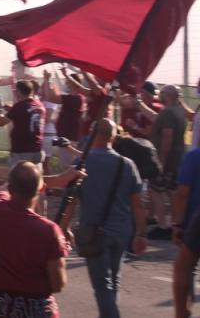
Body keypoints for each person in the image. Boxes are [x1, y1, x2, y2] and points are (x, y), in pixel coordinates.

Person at [0, 162, 69, 318]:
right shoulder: (49, 230)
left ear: (11, 189)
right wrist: (62, 248)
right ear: (40, 189)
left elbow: (5, 188)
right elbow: (58, 284)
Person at [78, 119, 147, 318]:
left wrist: (62, 229)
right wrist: (141, 233)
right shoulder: (127, 165)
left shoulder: (82, 163)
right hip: (121, 232)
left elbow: (72, 200)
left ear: (92, 134)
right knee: (112, 282)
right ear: (114, 137)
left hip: (94, 232)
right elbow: (138, 203)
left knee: (101, 286)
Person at [136, 85, 188, 239]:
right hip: (178, 157)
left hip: (167, 159)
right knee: (172, 191)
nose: (160, 96)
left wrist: (161, 162)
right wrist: (139, 103)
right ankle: (176, 223)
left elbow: (167, 137)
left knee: (156, 190)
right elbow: (155, 118)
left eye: (163, 93)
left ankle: (163, 226)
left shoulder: (167, 113)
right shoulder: (179, 111)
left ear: (168, 96)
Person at [0, 80, 46, 169]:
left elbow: (1, 122)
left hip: (22, 151)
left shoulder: (19, 106)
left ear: (19, 92)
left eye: (15, 90)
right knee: (35, 180)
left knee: (18, 180)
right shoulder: (39, 105)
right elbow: (26, 114)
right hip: (37, 149)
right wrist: (11, 109)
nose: (14, 92)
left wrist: (0, 111)